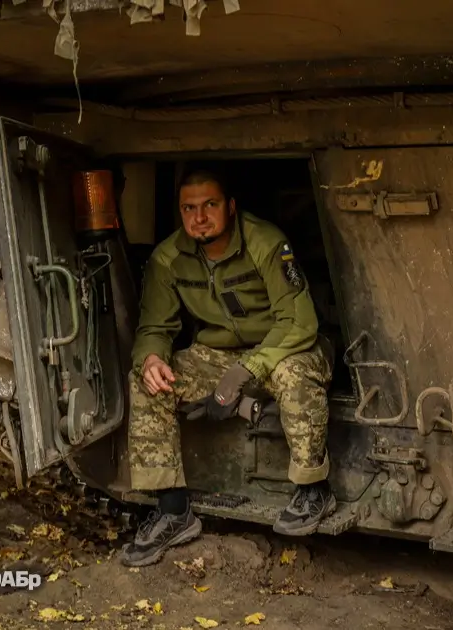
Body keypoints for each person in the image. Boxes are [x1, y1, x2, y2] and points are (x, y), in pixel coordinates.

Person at [120, 168, 335, 567]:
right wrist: (151, 357)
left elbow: (299, 322)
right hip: (221, 351)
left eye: (210, 205)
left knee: (292, 374)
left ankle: (312, 489)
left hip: (287, 346)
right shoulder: (168, 258)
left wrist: (240, 376)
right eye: (189, 208)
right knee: (147, 379)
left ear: (231, 207)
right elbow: (154, 328)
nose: (199, 217)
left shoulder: (266, 242)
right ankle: (173, 510)